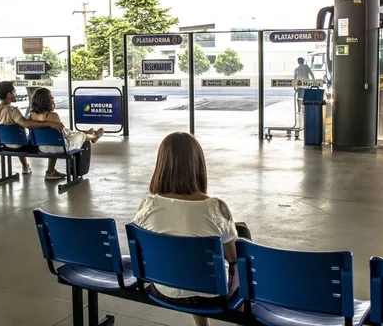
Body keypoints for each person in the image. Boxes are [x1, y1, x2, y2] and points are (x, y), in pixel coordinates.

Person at [133, 132, 250, 326]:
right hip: (211, 295)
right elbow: (233, 259)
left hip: (163, 289)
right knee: (242, 236)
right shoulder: (214, 207)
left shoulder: (147, 206)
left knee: (184, 253)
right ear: (198, 165)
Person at [0, 81, 64, 175]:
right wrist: (49, 123)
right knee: (21, 138)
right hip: (20, 146)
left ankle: (25, 166)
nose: (16, 94)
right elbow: (27, 124)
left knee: (17, 137)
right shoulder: (13, 111)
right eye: (14, 92)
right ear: (9, 95)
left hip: (4, 145)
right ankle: (40, 169)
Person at [28, 88, 104, 180]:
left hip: (42, 148)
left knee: (65, 131)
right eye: (51, 97)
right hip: (60, 148)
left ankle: (50, 171)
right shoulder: (53, 116)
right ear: (46, 100)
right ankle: (94, 137)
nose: (53, 99)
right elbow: (65, 136)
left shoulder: (31, 115)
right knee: (81, 136)